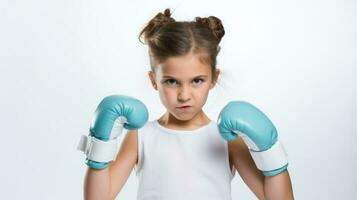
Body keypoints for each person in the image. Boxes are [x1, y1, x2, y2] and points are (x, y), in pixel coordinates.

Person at [81, 8, 294, 200]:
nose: (184, 95)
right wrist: (100, 148)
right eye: (172, 81)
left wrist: (271, 154)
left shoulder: (228, 139)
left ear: (213, 78)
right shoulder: (140, 135)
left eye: (197, 81)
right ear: (154, 80)